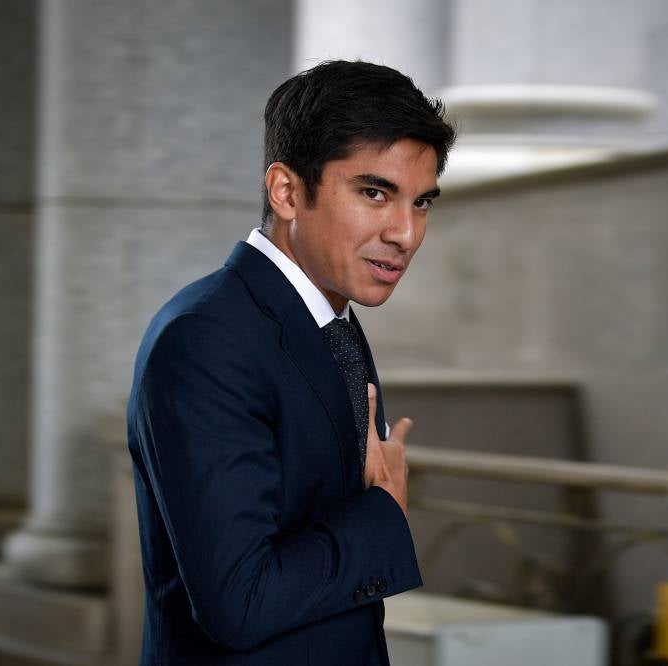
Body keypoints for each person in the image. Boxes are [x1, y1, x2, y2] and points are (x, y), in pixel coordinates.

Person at [127, 59, 455, 665]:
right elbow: (239, 602)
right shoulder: (206, 338)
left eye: (422, 202)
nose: (405, 233)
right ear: (287, 191)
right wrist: (380, 516)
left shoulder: (331, 318)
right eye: (374, 193)